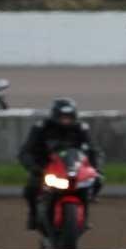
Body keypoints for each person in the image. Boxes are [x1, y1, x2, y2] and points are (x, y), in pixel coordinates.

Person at [17, 98, 104, 230]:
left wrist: (96, 168)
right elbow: (25, 152)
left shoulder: (81, 129)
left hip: (74, 169)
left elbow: (94, 151)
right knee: (31, 188)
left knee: (97, 180)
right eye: (63, 117)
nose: (66, 120)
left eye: (69, 117)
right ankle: (34, 215)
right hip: (46, 168)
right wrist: (35, 168)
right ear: (55, 116)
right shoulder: (41, 128)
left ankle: (85, 213)